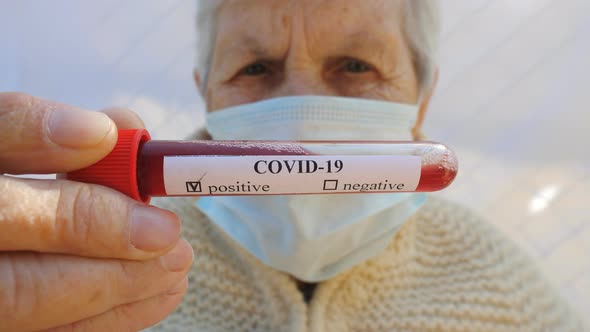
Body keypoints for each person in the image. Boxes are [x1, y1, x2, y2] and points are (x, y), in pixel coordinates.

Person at [0, 1, 584, 331]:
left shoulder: (503, 291)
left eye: (356, 65)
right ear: (206, 93)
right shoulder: (104, 265)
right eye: (254, 69)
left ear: (422, 98)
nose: (300, 119)